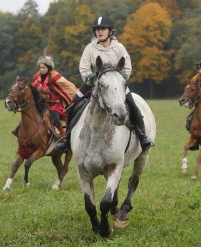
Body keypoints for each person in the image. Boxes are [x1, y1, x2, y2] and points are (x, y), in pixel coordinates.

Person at [56, 16, 154, 152]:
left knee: (133, 106)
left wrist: (120, 80)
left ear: (110, 32)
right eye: (97, 29)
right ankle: (67, 140)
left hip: (116, 85)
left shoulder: (119, 48)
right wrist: (94, 81)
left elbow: (127, 67)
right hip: (93, 84)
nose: (99, 32)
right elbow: (84, 68)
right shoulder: (89, 48)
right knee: (72, 105)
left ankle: (143, 137)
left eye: (103, 29)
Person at [11, 53, 77, 136]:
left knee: (55, 117)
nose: (41, 69)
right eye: (40, 67)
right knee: (28, 113)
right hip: (42, 102)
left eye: (43, 67)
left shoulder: (55, 77)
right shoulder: (37, 76)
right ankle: (19, 129)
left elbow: (68, 86)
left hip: (54, 104)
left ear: (48, 67)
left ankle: (63, 135)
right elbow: (33, 87)